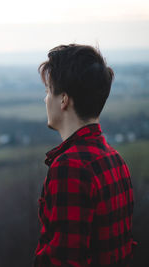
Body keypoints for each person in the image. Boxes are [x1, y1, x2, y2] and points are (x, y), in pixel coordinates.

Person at [34, 44, 135, 266]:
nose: (45, 99)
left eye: (48, 90)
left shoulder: (70, 167)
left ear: (63, 100)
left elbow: (63, 260)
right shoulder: (116, 160)